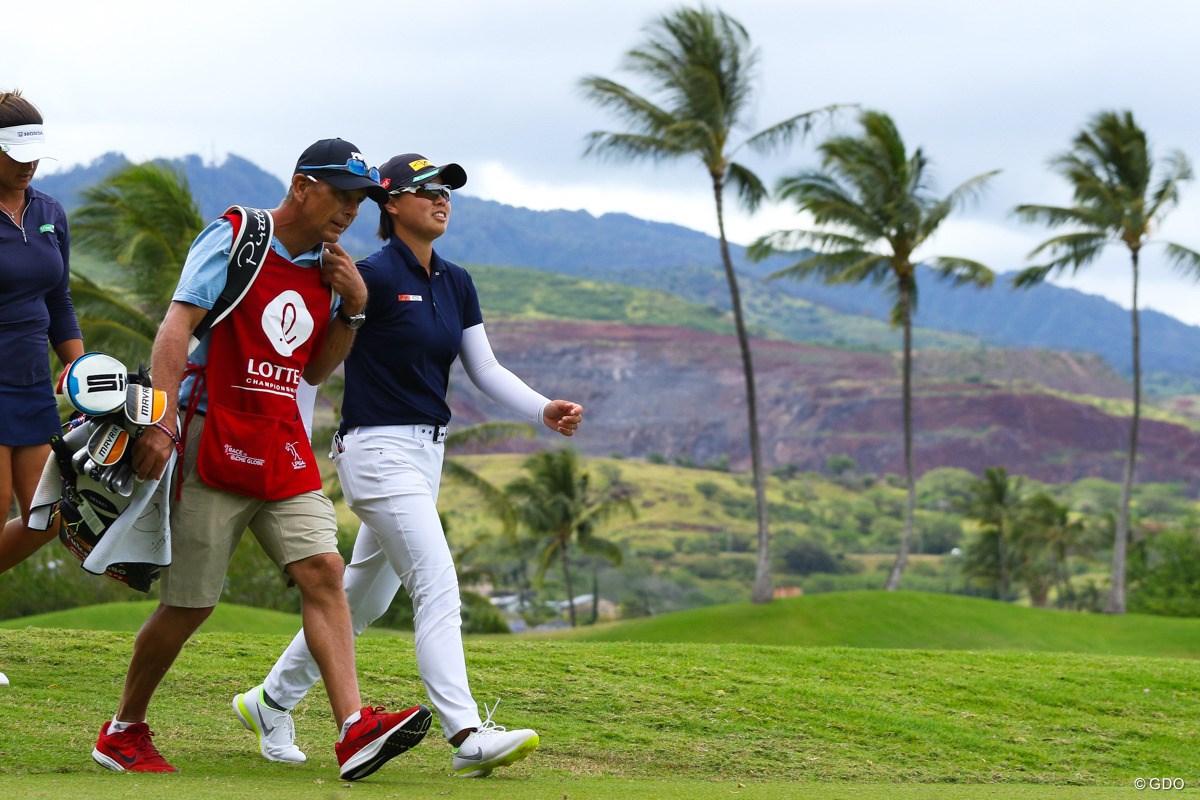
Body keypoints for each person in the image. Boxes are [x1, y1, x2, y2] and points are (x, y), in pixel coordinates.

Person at [232, 153, 583, 778]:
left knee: (362, 599)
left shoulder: (456, 280)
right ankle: (466, 734)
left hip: (426, 456)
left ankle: (271, 700)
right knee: (436, 582)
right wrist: (295, 448)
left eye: (447, 190)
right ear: (391, 204)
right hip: (376, 452)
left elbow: (484, 367)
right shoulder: (366, 276)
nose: (442, 198)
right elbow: (312, 366)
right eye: (427, 189)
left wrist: (542, 408)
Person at [92, 139, 431, 780]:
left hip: (281, 441)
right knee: (191, 603)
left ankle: (354, 729)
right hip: (209, 437)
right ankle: (123, 730)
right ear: (302, 186)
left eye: (360, 200)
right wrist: (160, 420)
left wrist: (354, 309)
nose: (351, 210)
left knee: (325, 570)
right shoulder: (237, 238)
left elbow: (313, 370)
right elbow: (175, 328)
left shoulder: (331, 269)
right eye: (342, 195)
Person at [0, 90, 83, 574]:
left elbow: (59, 299)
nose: (28, 164)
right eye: (17, 154)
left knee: (46, 517)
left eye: (35, 154)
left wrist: (80, 369)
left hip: (33, 387)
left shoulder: (50, 212)